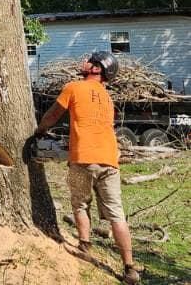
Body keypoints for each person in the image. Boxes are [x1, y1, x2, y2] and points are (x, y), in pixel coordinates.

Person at [35, 51, 140, 284]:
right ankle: (130, 267)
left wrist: (39, 130)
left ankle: (84, 245)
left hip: (83, 159)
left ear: (97, 69)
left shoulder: (74, 87)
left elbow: (53, 114)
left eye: (90, 61)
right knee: (116, 213)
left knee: (80, 203)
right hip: (110, 160)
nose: (84, 62)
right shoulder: (108, 98)